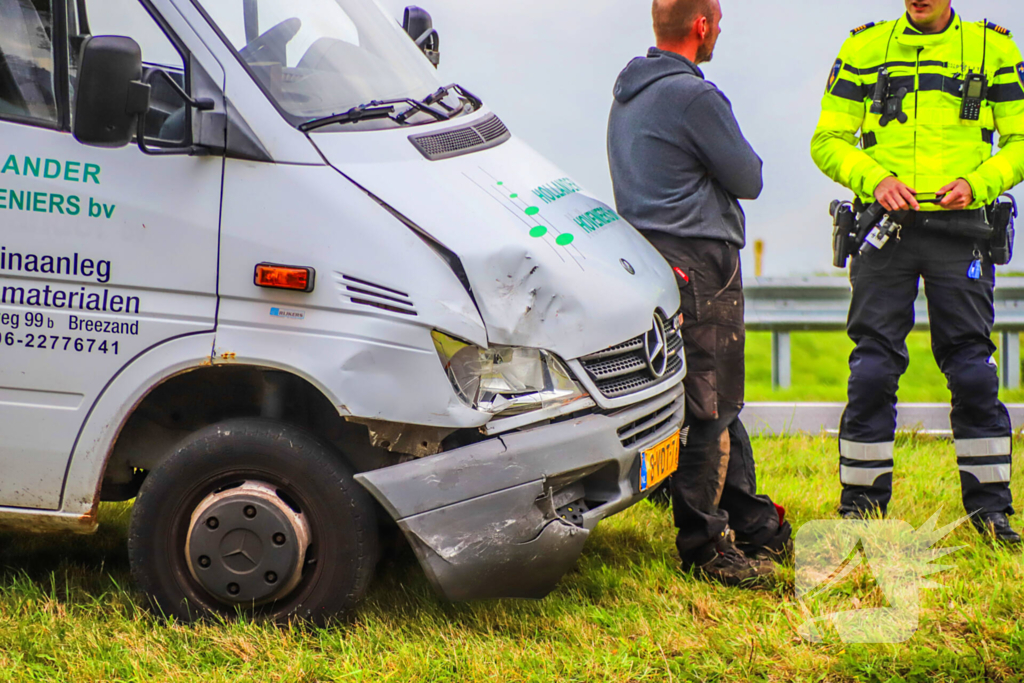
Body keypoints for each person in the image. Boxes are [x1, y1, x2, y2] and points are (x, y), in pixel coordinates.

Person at [811, 0, 1024, 545]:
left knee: (974, 370)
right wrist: (874, 178)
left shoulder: (992, 48)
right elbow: (828, 140)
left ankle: (991, 514)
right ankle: (861, 508)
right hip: (887, 230)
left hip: (962, 234)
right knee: (872, 372)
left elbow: (1021, 142)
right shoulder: (864, 47)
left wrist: (979, 185)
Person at [608, 0, 791, 585]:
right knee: (710, 409)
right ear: (702, 25)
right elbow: (750, 177)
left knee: (714, 398)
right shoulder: (695, 97)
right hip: (702, 265)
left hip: (652, 262)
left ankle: (755, 523)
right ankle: (706, 549)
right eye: (719, 25)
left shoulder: (627, 94)